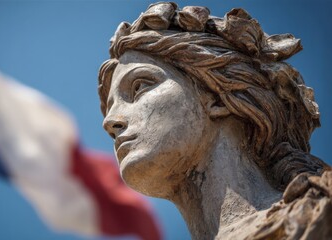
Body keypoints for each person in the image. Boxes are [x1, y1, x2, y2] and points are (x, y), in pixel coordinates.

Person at [98, 2, 332, 240]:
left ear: (218, 96)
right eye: (110, 107)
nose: (109, 121)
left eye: (139, 87)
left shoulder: (322, 213)